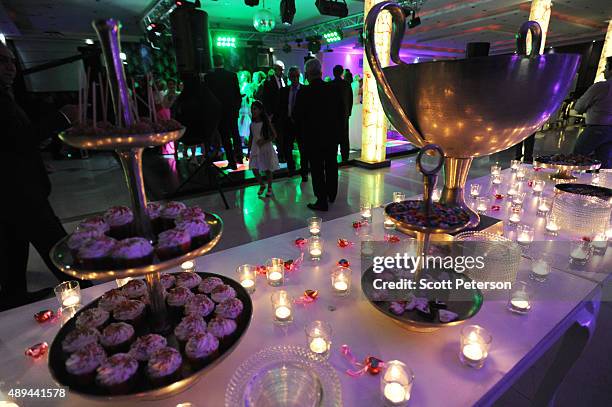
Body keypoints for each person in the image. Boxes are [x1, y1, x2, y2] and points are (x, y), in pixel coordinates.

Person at [0, 42, 78, 310]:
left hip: (14, 191)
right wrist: (62, 118)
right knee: (57, 246)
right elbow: (18, 139)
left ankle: (13, 298)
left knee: (12, 248)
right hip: (18, 192)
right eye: (2, 62)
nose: (10, 68)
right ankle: (86, 293)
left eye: (11, 61)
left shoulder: (6, 96)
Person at [294, 58, 343, 211]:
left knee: (317, 168)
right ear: (321, 72)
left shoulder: (304, 92)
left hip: (313, 138)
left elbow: (297, 115)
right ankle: (332, 194)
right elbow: (342, 112)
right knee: (331, 164)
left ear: (307, 74)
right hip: (331, 136)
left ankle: (322, 200)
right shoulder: (333, 89)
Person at [204, 54, 243, 169]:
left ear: (213, 62)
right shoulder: (232, 75)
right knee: (235, 134)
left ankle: (232, 162)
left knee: (225, 137)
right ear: (223, 62)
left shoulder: (208, 77)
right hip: (231, 111)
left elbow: (208, 97)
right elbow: (237, 95)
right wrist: (236, 110)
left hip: (219, 113)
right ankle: (239, 157)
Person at [173, 74, 222, 164]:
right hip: (198, 131)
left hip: (194, 132)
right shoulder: (201, 93)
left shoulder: (189, 95)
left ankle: (203, 157)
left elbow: (178, 112)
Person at [573, 57, 612, 168]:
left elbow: (579, 106)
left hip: (596, 129)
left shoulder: (602, 87)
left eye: (606, 67)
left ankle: (574, 184)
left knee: (578, 158)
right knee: (605, 164)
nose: (604, 71)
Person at [278, 66, 308, 181]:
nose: (294, 79)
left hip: (301, 124)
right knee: (287, 148)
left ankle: (304, 172)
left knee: (303, 149)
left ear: (299, 76)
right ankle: (291, 168)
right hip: (288, 123)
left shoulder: (305, 90)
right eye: (292, 76)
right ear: (289, 77)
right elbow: (281, 107)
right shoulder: (284, 91)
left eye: (296, 76)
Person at [248, 100, 279, 197]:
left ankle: (269, 187)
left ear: (260, 110)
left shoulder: (265, 123)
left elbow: (274, 135)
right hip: (255, 147)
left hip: (265, 147)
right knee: (254, 167)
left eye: (255, 109)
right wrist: (249, 150)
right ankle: (262, 184)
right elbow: (251, 137)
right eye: (252, 109)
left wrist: (264, 141)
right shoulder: (252, 124)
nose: (253, 111)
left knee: (267, 169)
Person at [262, 62, 285, 161]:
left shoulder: (283, 80)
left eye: (282, 70)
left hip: (282, 112)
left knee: (281, 134)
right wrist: (270, 113)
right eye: (280, 70)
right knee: (276, 134)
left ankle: (281, 154)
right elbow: (266, 98)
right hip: (274, 113)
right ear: (275, 70)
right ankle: (278, 155)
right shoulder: (269, 81)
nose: (282, 72)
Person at [330, 64, 353, 162]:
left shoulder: (330, 84)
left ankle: (332, 156)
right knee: (344, 137)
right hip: (344, 115)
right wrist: (348, 112)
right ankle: (345, 156)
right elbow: (350, 99)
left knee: (333, 136)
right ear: (341, 72)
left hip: (333, 115)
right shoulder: (347, 84)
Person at [349, 73, 363, 150]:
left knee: (353, 126)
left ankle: (352, 142)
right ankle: (358, 142)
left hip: (352, 107)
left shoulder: (352, 85)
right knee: (358, 126)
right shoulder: (359, 89)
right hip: (357, 107)